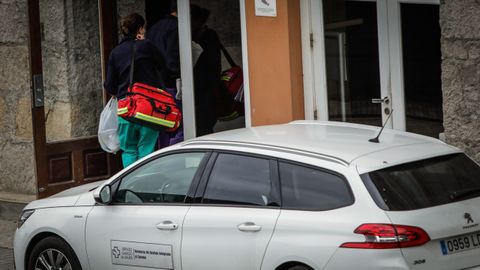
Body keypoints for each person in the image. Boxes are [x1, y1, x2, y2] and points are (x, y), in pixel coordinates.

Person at [104, 13, 165, 168]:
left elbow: (110, 86)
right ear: (140, 29)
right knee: (147, 148)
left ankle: (131, 184)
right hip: (148, 107)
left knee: (129, 150)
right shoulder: (146, 46)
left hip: (126, 108)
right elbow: (163, 64)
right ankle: (147, 184)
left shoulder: (115, 52)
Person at [148, 0, 184, 147]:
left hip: (156, 85)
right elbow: (172, 59)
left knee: (162, 124)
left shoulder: (154, 28)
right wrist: (177, 76)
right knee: (177, 126)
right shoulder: (176, 27)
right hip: (170, 84)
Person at [191, 5, 222, 136]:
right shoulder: (204, 35)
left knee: (204, 124)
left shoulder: (207, 36)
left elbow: (212, 62)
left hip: (205, 86)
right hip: (204, 86)